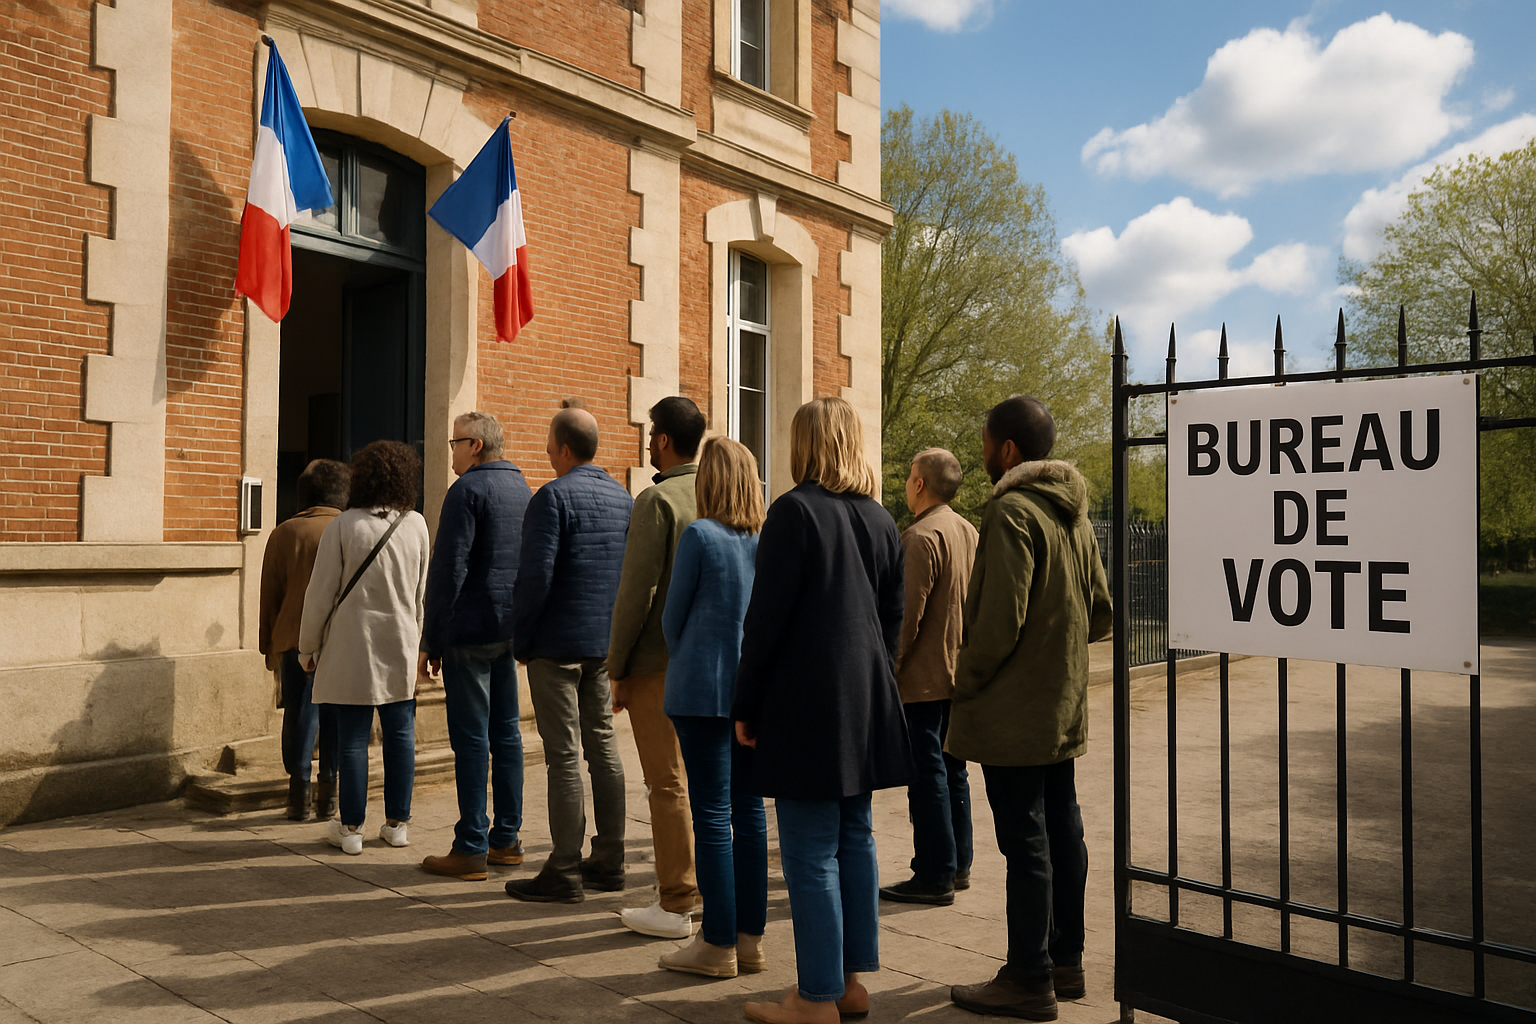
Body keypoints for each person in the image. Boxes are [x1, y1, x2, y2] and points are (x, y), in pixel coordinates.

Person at [733, 397, 911, 1024]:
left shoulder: (794, 511)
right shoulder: (882, 519)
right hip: (866, 699)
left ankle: (814, 998)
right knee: (855, 839)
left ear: (804, 444)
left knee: (809, 851)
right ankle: (850, 984)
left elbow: (766, 622)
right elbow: (894, 618)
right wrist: (875, 677)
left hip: (807, 701)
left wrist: (745, 704)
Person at [946, 397, 1112, 1022]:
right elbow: (1101, 612)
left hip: (1015, 712)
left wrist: (963, 680)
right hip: (1061, 705)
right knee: (1062, 828)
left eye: (986, 440)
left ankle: (1028, 978)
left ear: (1008, 450)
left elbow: (996, 624)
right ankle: (1067, 962)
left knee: (1027, 842)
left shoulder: (1012, 511)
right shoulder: (1075, 515)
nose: (982, 451)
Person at [506, 406, 632, 903]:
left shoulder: (551, 498)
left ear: (561, 448)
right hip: (603, 643)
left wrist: (523, 639)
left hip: (557, 646)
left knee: (562, 756)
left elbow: (535, 577)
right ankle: (611, 858)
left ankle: (563, 867)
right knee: (603, 745)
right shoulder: (623, 498)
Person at [656, 436, 768, 979]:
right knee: (748, 815)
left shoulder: (700, 535)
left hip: (701, 689)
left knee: (714, 818)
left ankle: (717, 941)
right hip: (750, 692)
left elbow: (671, 619)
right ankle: (749, 939)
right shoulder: (762, 538)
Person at [297, 440, 430, 856]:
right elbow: (420, 596)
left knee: (353, 739)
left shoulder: (343, 525)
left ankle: (351, 827)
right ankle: (397, 823)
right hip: (400, 644)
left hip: (352, 646)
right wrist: (419, 642)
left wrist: (307, 647)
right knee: (400, 735)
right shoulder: (417, 525)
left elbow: (320, 594)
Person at [418, 411, 534, 881]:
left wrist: (432, 638)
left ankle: (470, 844)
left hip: (469, 629)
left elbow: (448, 570)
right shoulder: (521, 488)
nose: (451, 449)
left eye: (456, 441)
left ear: (476, 446)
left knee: (470, 740)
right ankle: (506, 839)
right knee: (507, 734)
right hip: (508, 628)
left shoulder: (466, 490)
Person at [608, 396, 705, 938]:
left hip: (655, 663)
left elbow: (636, 592)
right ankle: (704, 891)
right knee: (704, 785)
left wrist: (616, 664)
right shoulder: (719, 494)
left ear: (665, 439)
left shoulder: (657, 500)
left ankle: (675, 899)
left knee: (666, 785)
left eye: (651, 433)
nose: (647, 442)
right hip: (712, 661)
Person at [879, 448, 979, 906]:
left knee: (927, 775)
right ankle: (957, 865)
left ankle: (935, 872)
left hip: (922, 678)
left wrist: (887, 671)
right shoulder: (968, 532)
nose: (905, 483)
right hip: (957, 673)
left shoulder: (920, 537)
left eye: (909, 476)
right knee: (952, 769)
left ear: (919, 484)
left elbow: (905, 619)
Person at [259, 459, 349, 822]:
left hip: (293, 638)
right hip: (339, 639)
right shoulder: (349, 529)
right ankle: (330, 794)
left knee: (299, 713)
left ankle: (298, 796)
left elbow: (270, 596)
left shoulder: (284, 532)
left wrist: (268, 647)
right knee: (335, 716)